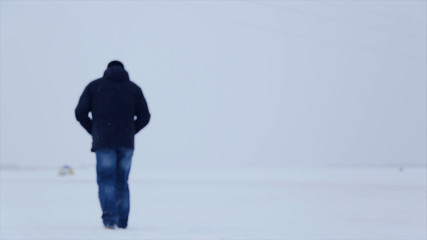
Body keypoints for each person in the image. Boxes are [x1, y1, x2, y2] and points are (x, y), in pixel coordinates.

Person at [75, 60, 150, 229]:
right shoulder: (134, 89)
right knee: (122, 182)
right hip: (126, 142)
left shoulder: (94, 86)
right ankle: (122, 222)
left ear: (107, 70)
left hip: (104, 141)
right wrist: (130, 131)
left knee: (106, 180)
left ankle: (110, 220)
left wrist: (95, 131)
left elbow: (80, 112)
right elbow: (145, 117)